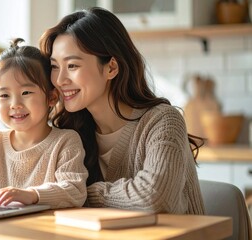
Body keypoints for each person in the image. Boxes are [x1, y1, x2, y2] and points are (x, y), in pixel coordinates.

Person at [39, 7, 205, 214]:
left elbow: (156, 197)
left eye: (72, 66)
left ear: (111, 68)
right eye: (55, 66)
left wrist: (79, 193)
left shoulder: (163, 121)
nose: (60, 80)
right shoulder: (71, 132)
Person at [0, 38, 88, 209]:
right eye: (4, 95)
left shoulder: (65, 141)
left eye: (26, 92)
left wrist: (32, 195)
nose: (15, 104)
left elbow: (74, 191)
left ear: (51, 97)